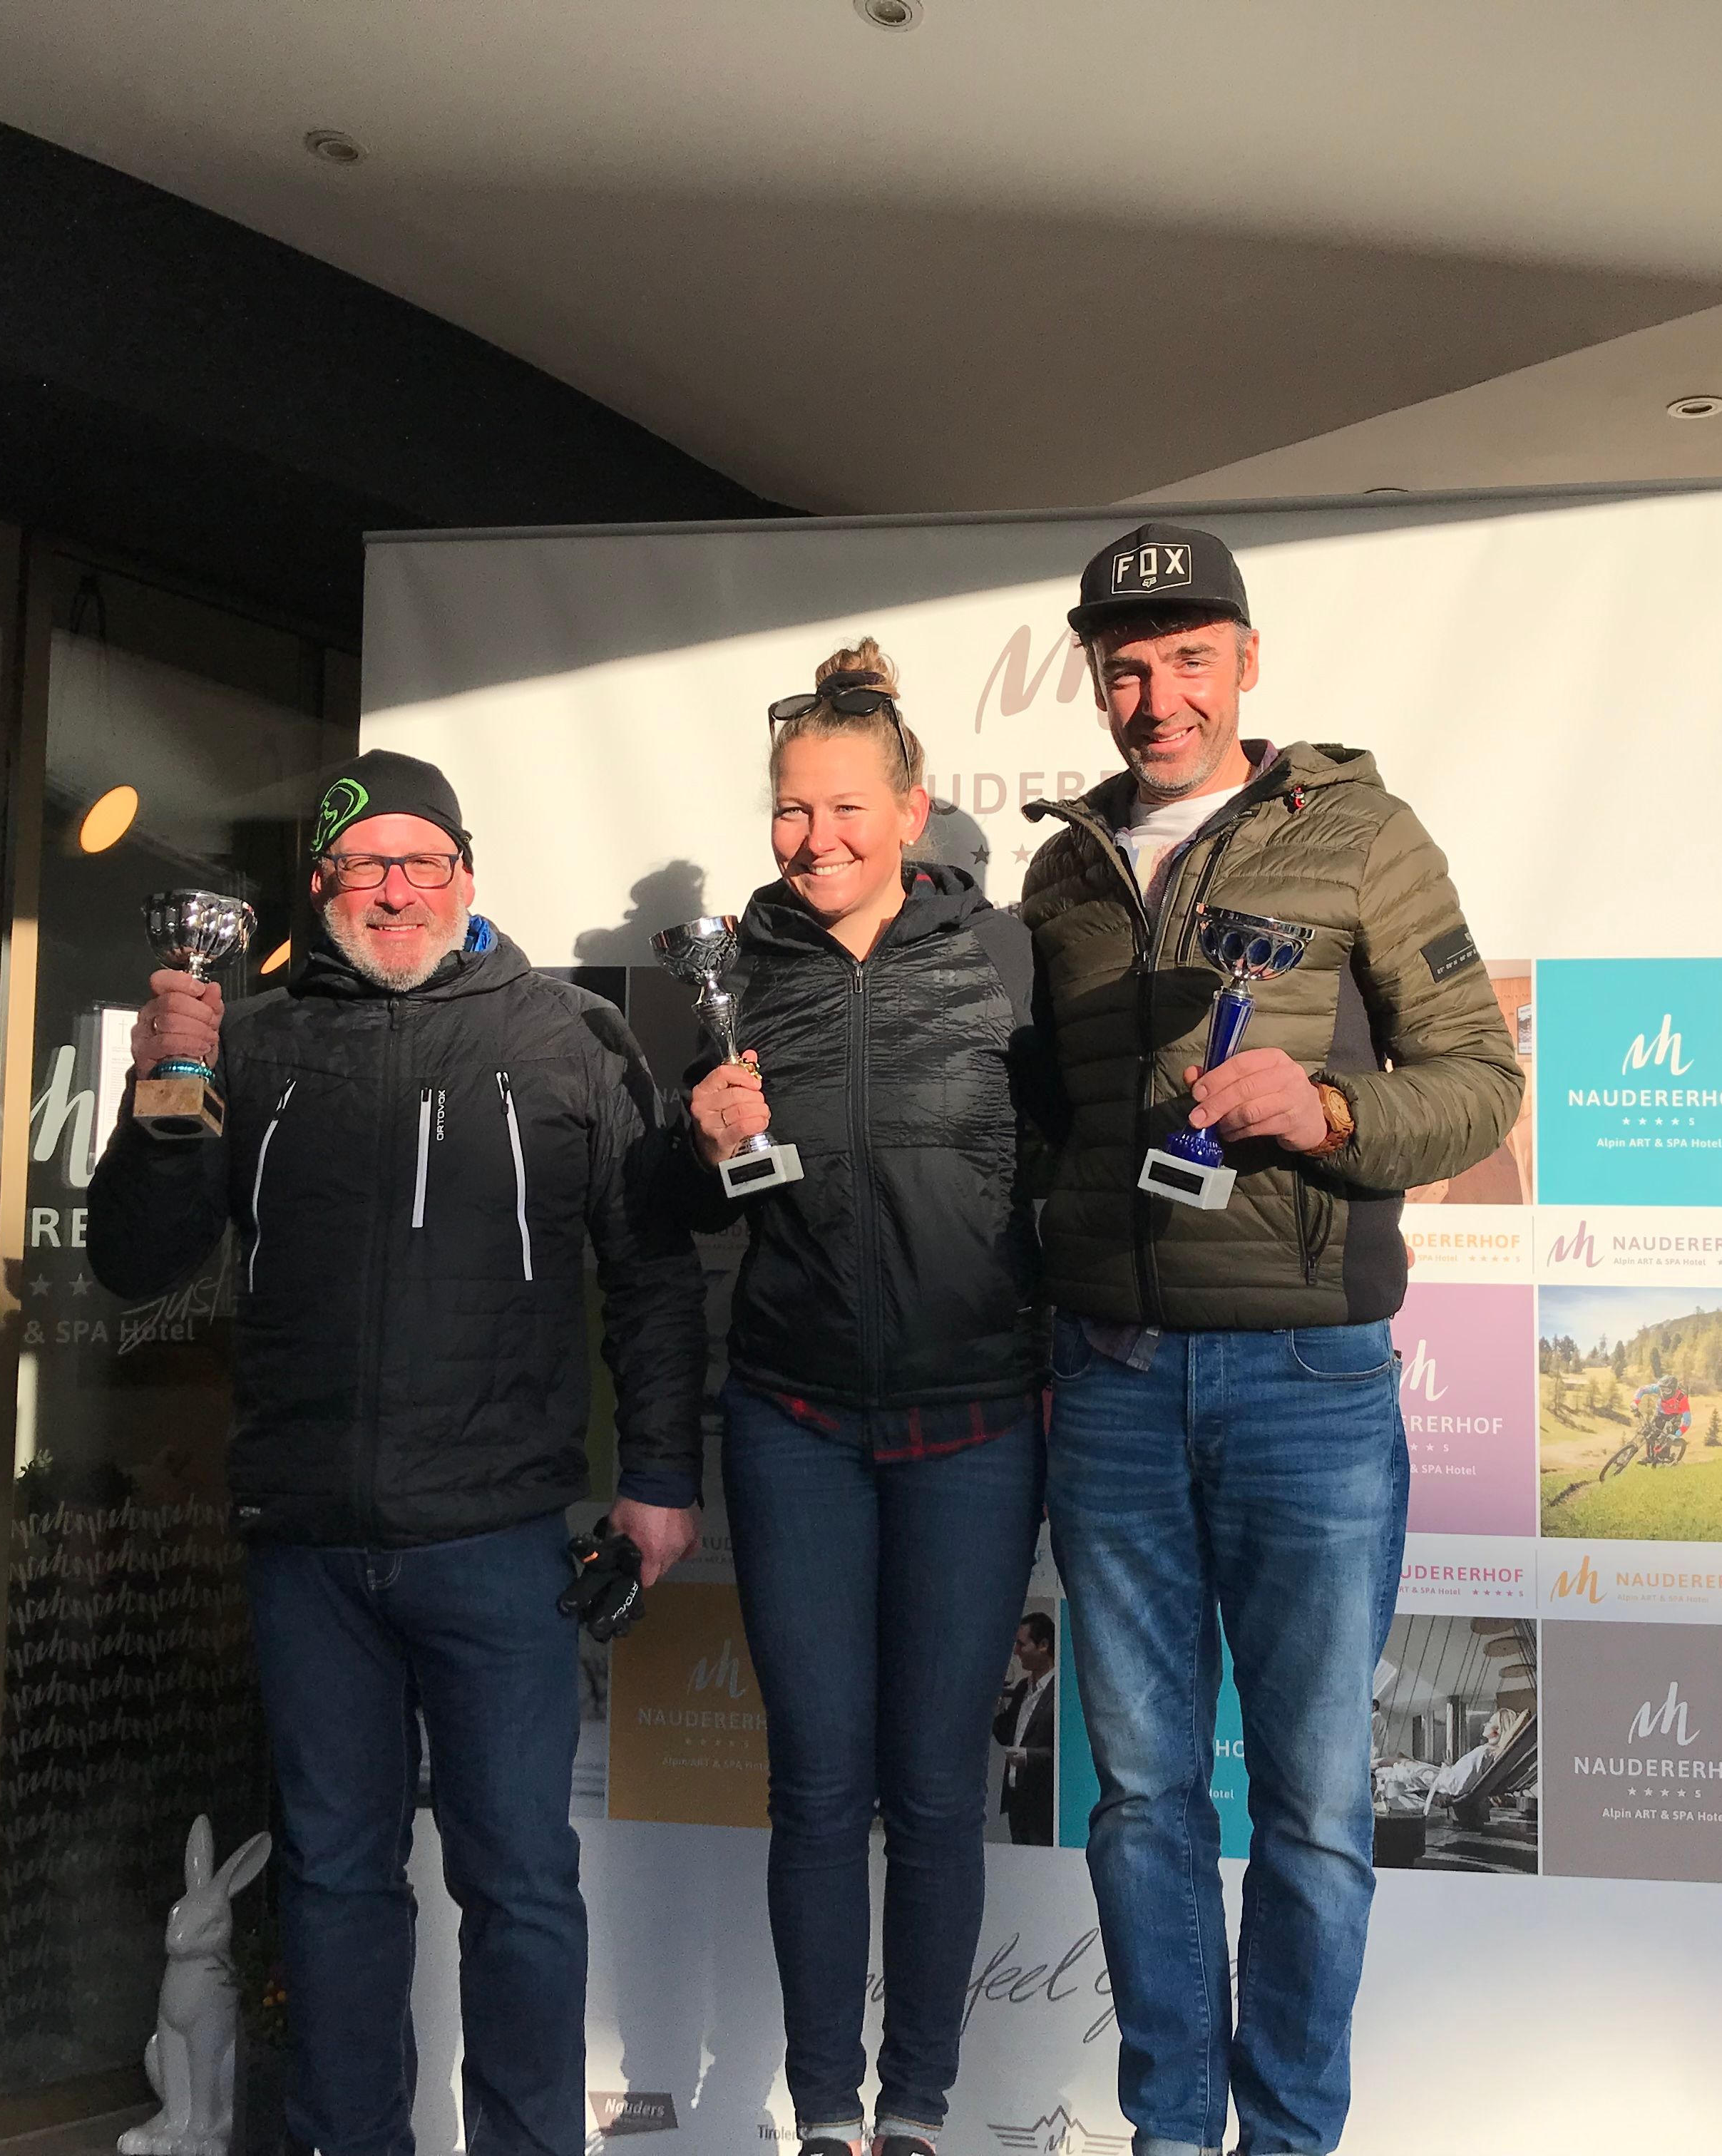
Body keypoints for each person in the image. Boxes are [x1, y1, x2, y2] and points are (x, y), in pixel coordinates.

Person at [89, 749, 706, 2156]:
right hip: (307, 1546)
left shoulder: (570, 1039)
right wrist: (164, 1090)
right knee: (332, 1883)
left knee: (520, 1884)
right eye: (365, 865)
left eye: (423, 862)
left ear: (467, 875)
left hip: (497, 1541)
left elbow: (653, 1273)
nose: (395, 890)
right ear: (320, 886)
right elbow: (136, 1257)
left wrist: (661, 1475)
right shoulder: (249, 1040)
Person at [1019, 523, 1524, 2156]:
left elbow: (1481, 1082)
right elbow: (1050, 1124)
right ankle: (1174, 2133)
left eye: (1188, 658)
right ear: (1095, 676)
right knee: (1141, 1800)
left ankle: (1292, 2138)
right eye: (1126, 665)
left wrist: (1327, 1110)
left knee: (1313, 1806)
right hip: (1110, 1385)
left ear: (1246, 660)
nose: (1156, 695)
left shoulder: (1364, 835)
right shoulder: (1063, 873)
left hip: (1307, 1384)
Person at [682, 641, 1044, 2156]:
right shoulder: (735, 973)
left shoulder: (1008, 961)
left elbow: (1068, 1172)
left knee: (939, 1788)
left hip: (975, 1428)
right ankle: (829, 2113)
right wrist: (695, 1144)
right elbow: (682, 1210)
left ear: (911, 810)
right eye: (791, 808)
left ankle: (920, 2112)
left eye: (844, 807)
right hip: (796, 1427)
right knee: (819, 1786)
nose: (814, 836)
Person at [990, 1613, 1057, 1848]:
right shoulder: (1022, 1689)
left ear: (1043, 1645)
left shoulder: (1061, 1692)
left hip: (1044, 1807)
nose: (1016, 1651)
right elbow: (1004, 1734)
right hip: (1016, 1803)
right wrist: (996, 1702)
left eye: (1021, 1644)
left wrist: (1029, 1756)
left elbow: (1065, 1755)